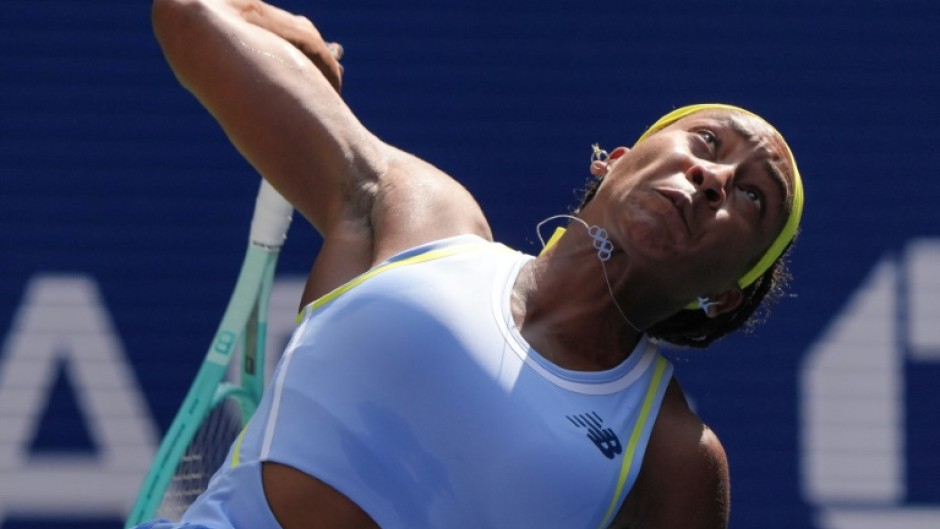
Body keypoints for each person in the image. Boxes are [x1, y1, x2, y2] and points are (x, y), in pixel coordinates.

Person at [144, 0, 804, 528]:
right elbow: (189, 14)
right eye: (707, 140)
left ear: (726, 295)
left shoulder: (674, 459)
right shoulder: (422, 218)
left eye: (751, 196)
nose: (714, 176)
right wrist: (271, 22)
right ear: (617, 159)